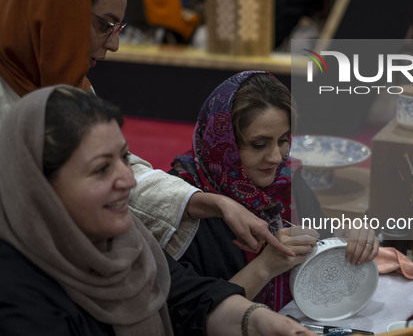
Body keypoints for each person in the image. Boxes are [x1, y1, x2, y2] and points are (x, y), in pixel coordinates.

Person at [0, 0, 291, 263]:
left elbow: (120, 172)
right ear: (59, 12)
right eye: (104, 25)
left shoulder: (72, 86)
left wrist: (212, 202)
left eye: (119, 28)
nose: (114, 44)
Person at [0, 85, 315, 336]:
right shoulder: (16, 296)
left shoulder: (127, 240)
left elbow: (187, 298)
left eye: (124, 158)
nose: (127, 179)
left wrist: (256, 320)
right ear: (40, 185)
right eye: (100, 169)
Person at [162, 71, 379, 311]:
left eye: (283, 140)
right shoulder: (182, 202)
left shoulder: (285, 180)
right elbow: (188, 318)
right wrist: (265, 266)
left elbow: (321, 237)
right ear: (223, 143)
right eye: (259, 144)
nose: (277, 157)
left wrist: (347, 236)